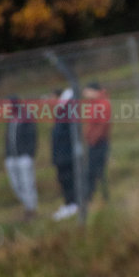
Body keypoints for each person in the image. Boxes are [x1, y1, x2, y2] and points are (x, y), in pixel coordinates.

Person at [4, 95, 38, 220]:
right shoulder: (10, 119)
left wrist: (30, 153)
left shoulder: (26, 117)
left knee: (27, 183)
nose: (6, 107)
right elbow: (8, 138)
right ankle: (27, 204)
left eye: (8, 104)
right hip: (12, 157)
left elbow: (33, 136)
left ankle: (31, 209)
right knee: (16, 184)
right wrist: (7, 155)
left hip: (24, 156)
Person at [52, 88, 77, 221]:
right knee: (64, 179)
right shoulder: (63, 109)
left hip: (66, 153)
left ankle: (73, 204)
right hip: (61, 153)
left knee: (69, 179)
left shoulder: (68, 109)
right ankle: (69, 203)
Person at [82, 82, 110, 202]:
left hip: (98, 143)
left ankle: (96, 197)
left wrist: (93, 139)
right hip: (94, 142)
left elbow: (102, 125)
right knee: (94, 171)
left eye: (87, 91)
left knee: (96, 171)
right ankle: (94, 197)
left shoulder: (103, 104)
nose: (85, 94)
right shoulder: (94, 104)